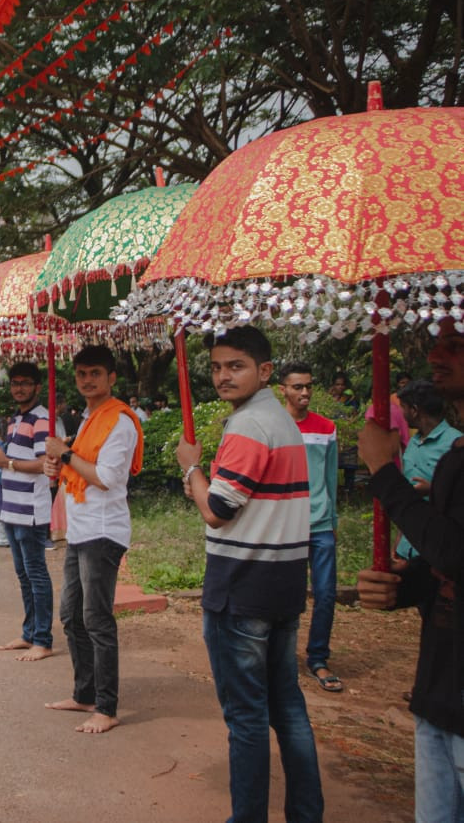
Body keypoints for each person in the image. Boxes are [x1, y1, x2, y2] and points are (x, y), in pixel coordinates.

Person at [177, 325, 323, 823]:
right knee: (288, 709)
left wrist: (190, 469)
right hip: (282, 583)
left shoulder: (247, 427)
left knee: (246, 718)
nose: (222, 376)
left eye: (235, 366)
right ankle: (306, 812)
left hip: (242, 586)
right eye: (216, 367)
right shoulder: (282, 421)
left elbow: (217, 509)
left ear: (264, 371)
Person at [356, 325, 464, 823]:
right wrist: (407, 584)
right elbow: (445, 565)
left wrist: (384, 474)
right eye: (438, 341)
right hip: (439, 689)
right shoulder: (455, 462)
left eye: (457, 346)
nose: (437, 355)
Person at [43, 345, 142, 735]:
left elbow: (107, 477)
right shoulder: (88, 419)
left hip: (104, 530)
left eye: (95, 374)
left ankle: (107, 706)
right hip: (81, 528)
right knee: (71, 615)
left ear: (112, 377)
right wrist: (59, 463)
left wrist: (65, 455)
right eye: (82, 374)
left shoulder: (120, 421)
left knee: (97, 619)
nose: (87, 381)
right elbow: (77, 469)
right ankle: (85, 693)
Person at [277, 362, 343, 693]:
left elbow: (331, 477)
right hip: (285, 524)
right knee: (285, 594)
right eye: (298, 386)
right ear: (283, 390)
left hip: (319, 524)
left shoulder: (326, 428)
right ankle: (281, 658)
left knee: (326, 593)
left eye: (309, 386)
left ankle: (318, 657)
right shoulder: (273, 427)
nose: (305, 392)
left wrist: (333, 521)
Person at [0, 362, 57, 660]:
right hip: (11, 508)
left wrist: (5, 463)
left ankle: (43, 639)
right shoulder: (15, 420)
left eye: (26, 383)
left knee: (36, 573)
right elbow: (12, 459)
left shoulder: (41, 420)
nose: (19, 388)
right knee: (23, 574)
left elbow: (45, 464)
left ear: (38, 387)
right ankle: (29, 633)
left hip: (31, 509)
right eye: (15, 383)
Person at [395, 380, 462, 563]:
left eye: (403, 407)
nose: (401, 413)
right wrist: (399, 542)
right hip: (408, 547)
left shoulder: (456, 444)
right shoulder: (413, 443)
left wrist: (433, 489)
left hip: (439, 548)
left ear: (415, 410)